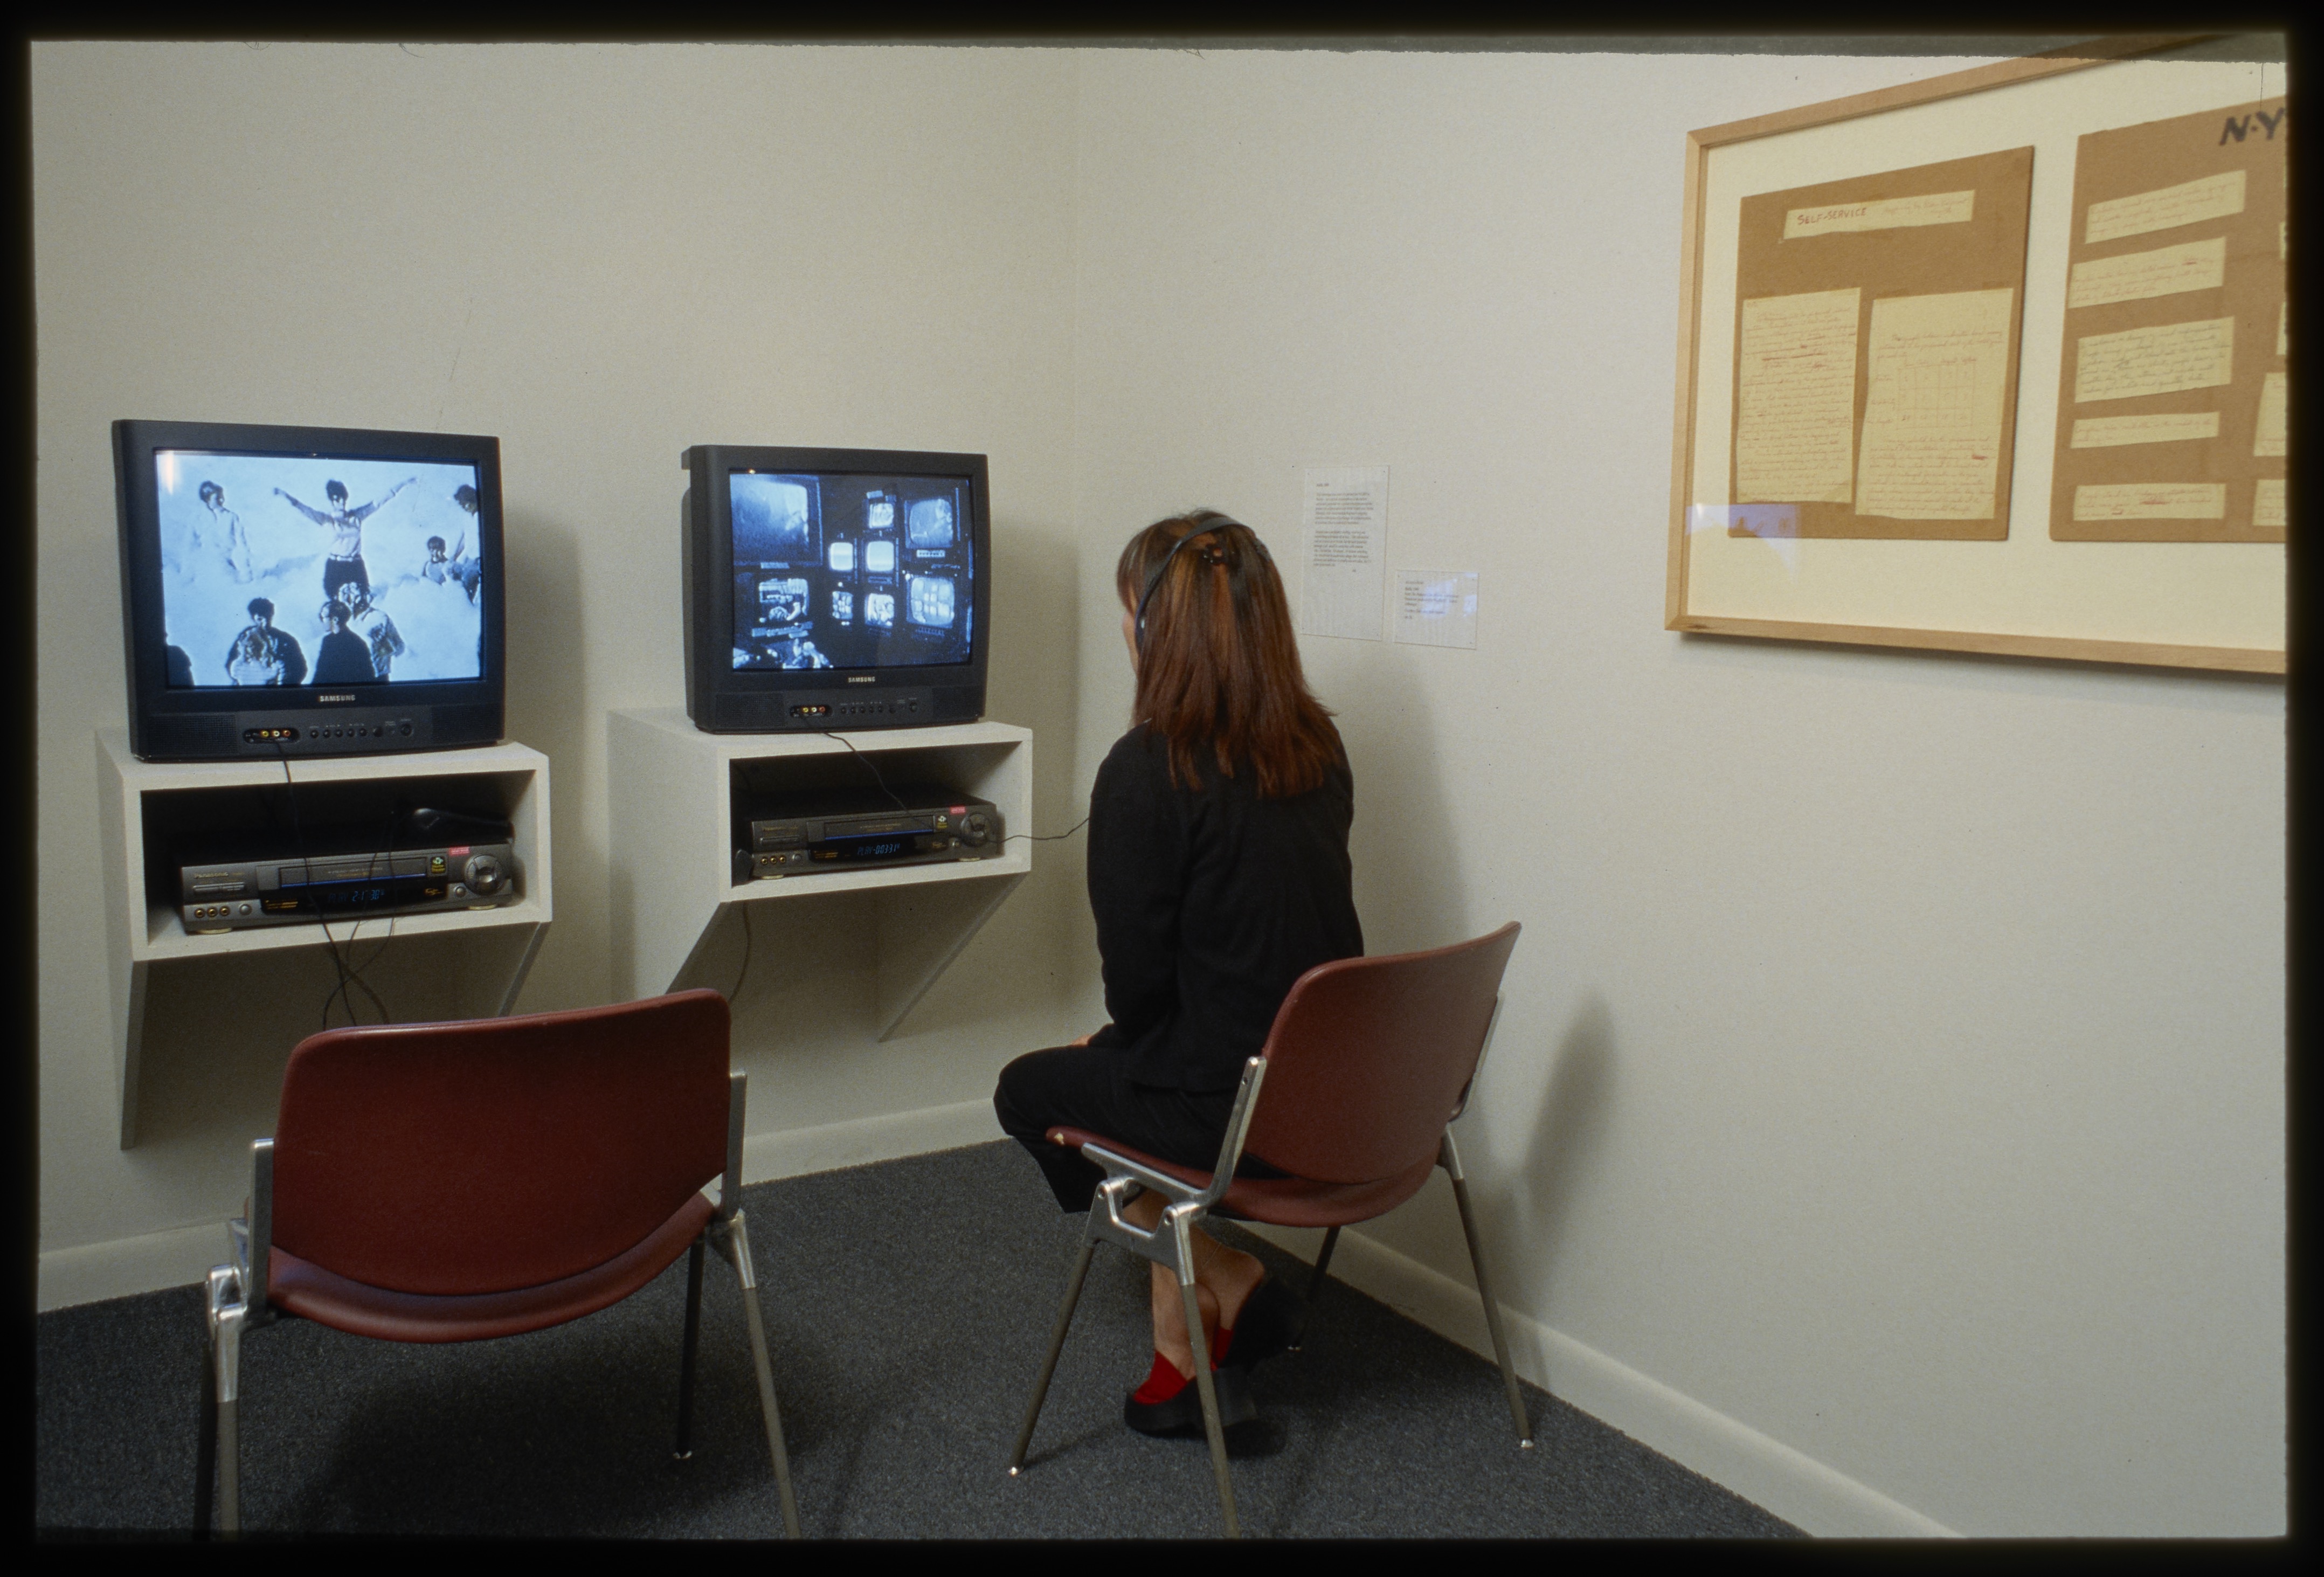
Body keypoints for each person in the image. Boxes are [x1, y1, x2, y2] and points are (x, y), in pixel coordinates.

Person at [993, 509, 1362, 1439]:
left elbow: (1139, 992)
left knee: (1025, 1088)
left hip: (1228, 1109)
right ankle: (1183, 1355)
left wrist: (1109, 1045)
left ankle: (1229, 1279)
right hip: (1335, 1095)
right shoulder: (1317, 745)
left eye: (1127, 611)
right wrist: (1123, 1047)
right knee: (1120, 1078)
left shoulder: (1145, 771)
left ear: (1154, 631)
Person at [274, 475, 414, 607]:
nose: (341, 502)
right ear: (332, 501)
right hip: (336, 566)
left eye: (343, 498)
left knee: (363, 600)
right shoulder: (327, 520)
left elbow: (378, 503)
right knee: (336, 603)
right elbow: (305, 509)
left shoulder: (356, 517)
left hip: (355, 564)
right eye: (337, 499)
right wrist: (286, 496)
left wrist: (403, 484)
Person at [224, 598, 307, 687]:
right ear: (253, 618)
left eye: (268, 617)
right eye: (260, 619)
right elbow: (231, 665)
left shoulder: (286, 640)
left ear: (272, 615)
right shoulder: (245, 639)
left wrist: (284, 686)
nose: (265, 623)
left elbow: (301, 668)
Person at [198, 481, 255, 583]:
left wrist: (246, 572)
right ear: (207, 500)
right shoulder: (200, 520)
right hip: (207, 567)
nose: (221, 500)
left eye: (221, 496)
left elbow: (241, 544)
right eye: (217, 498)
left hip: (229, 564)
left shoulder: (231, 517)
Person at [310, 599, 375, 686]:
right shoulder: (328, 640)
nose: (321, 621)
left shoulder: (356, 644)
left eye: (323, 617)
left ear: (335, 620)